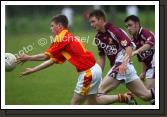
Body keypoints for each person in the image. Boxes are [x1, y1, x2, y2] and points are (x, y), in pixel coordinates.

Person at [17, 14, 134, 105]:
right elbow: (52, 60)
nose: (50, 28)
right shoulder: (66, 38)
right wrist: (33, 70)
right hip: (95, 69)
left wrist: (28, 57)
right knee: (94, 102)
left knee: (75, 103)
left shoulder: (61, 38)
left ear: (59, 26)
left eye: (52, 25)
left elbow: (45, 55)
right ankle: (125, 97)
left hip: (88, 72)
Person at [89, 9, 155, 104]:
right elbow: (101, 58)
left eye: (93, 21)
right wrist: (97, 75)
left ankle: (125, 98)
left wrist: (124, 64)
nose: (91, 25)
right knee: (146, 95)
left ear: (101, 20)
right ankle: (128, 98)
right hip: (122, 67)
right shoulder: (97, 38)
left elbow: (128, 47)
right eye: (90, 22)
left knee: (97, 96)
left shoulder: (115, 31)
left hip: (121, 65)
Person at [124, 15, 155, 90]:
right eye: (127, 26)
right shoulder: (133, 41)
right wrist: (143, 72)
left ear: (137, 24)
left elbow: (149, 44)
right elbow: (142, 58)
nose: (128, 28)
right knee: (149, 94)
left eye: (130, 25)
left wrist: (136, 51)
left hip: (155, 64)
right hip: (150, 67)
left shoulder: (145, 33)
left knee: (149, 92)